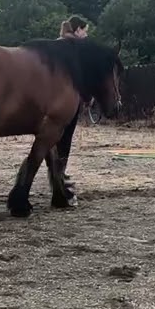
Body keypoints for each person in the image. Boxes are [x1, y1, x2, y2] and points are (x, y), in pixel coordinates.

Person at [56, 15, 90, 195]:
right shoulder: (76, 48)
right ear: (77, 30)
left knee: (57, 138)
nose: (86, 35)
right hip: (69, 98)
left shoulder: (58, 44)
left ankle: (59, 172)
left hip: (56, 97)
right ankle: (59, 173)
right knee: (65, 138)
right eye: (85, 31)